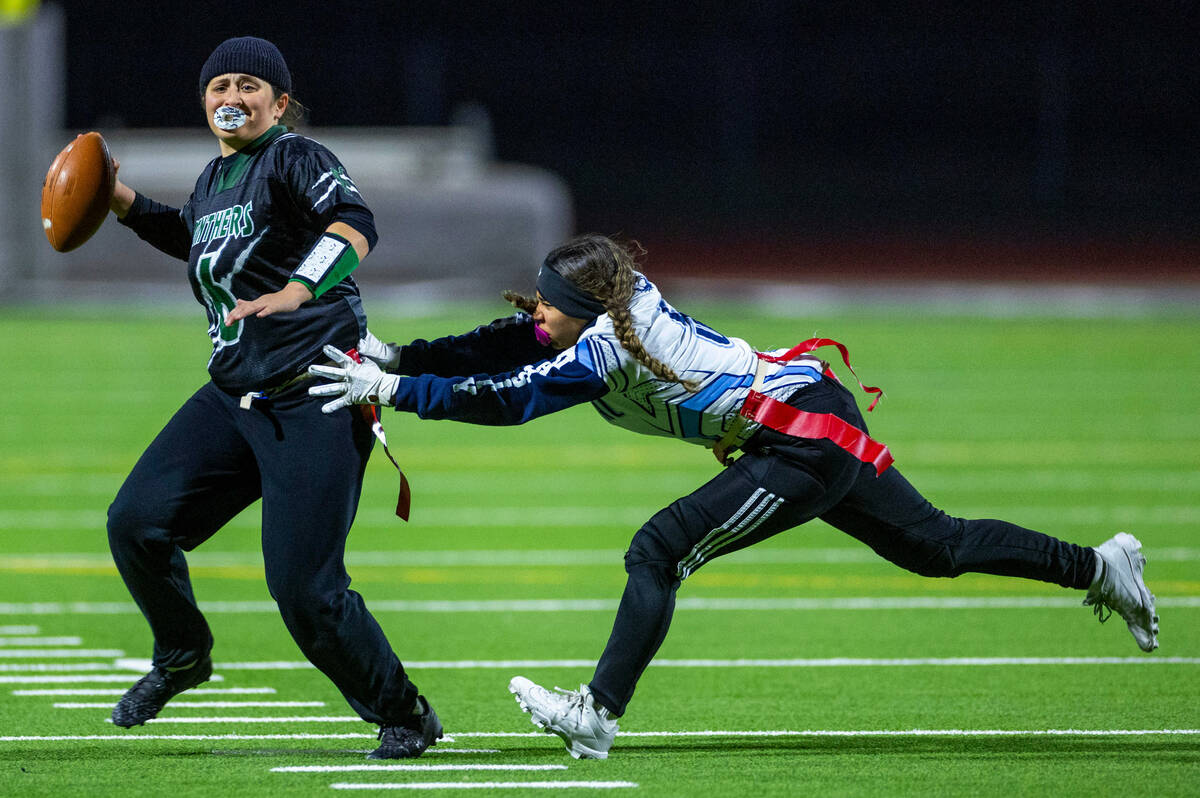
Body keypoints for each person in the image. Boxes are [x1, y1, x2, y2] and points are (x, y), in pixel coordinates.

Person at [307, 233, 1159, 760]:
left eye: (548, 305)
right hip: (804, 413)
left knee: (657, 548)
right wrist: (399, 358)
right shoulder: (601, 312)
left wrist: (394, 391)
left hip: (799, 439)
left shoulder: (606, 345)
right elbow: (511, 341)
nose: (537, 314)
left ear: (584, 308)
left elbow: (511, 395)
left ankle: (597, 715)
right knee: (935, 546)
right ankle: (1100, 567)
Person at [103, 35, 440, 759]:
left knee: (304, 592)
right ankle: (184, 655)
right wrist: (121, 201)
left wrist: (296, 288)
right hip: (235, 397)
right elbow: (194, 237)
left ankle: (405, 713)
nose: (232, 96)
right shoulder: (213, 179)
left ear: (279, 102)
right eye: (219, 85)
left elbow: (355, 226)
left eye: (249, 85)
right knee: (135, 523)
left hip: (313, 392)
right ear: (204, 102)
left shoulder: (295, 156)